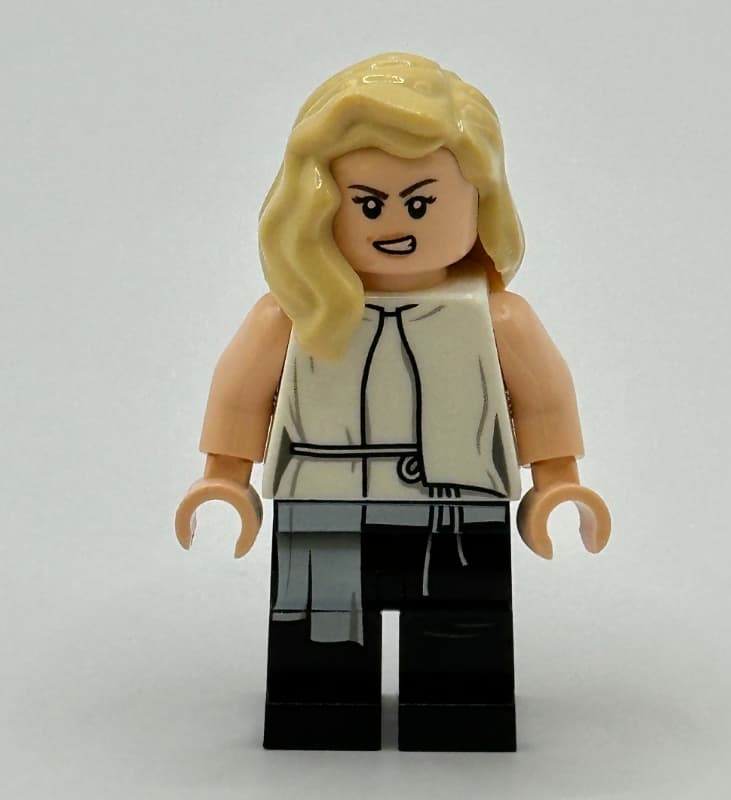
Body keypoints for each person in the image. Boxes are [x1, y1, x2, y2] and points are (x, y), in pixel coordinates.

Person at [175, 52, 611, 752]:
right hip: (322, 502)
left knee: (460, 638)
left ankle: (457, 710)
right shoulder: (292, 317)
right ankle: (321, 709)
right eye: (368, 204)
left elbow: (543, 403)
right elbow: (240, 395)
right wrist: (224, 479)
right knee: (320, 647)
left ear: (479, 199)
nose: (394, 223)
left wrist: (557, 485)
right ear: (318, 204)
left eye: (422, 202)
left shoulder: (498, 318)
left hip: (458, 506)